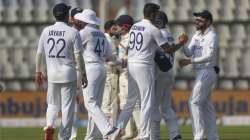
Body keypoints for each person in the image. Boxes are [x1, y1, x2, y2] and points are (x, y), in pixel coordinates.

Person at [110, 3, 188, 140]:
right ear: (152, 14)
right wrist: (181, 43)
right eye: (156, 14)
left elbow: (129, 47)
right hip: (144, 67)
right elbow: (168, 50)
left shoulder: (135, 25)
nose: (157, 17)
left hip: (131, 66)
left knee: (130, 102)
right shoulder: (153, 29)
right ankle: (145, 136)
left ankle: (117, 130)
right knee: (146, 103)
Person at [35, 3, 87, 140]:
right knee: (67, 108)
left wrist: (38, 72)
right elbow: (78, 56)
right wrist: (83, 73)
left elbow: (39, 53)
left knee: (52, 104)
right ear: (66, 16)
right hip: (68, 74)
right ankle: (64, 137)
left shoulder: (46, 31)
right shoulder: (73, 32)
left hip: (52, 75)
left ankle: (49, 125)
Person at [74, 9, 117, 139]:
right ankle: (91, 137)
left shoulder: (83, 32)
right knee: (95, 105)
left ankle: (108, 129)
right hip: (101, 67)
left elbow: (73, 50)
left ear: (85, 21)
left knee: (90, 103)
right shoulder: (102, 34)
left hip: (90, 68)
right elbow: (110, 56)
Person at [179, 10, 219, 140]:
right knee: (207, 106)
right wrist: (182, 44)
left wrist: (190, 62)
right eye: (196, 20)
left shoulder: (212, 36)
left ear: (208, 22)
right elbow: (189, 53)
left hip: (208, 70)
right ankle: (213, 137)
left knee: (194, 102)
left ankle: (199, 135)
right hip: (201, 72)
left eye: (200, 20)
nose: (197, 22)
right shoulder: (196, 35)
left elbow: (209, 56)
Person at [151, 11, 182, 140]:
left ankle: (155, 136)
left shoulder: (159, 35)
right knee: (166, 107)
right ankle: (175, 135)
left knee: (153, 107)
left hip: (160, 74)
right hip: (169, 74)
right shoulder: (169, 34)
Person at [115, 15, 140, 140]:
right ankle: (129, 132)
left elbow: (129, 57)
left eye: (119, 25)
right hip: (123, 74)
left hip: (130, 74)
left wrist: (116, 61)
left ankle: (142, 131)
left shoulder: (131, 37)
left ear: (125, 26)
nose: (116, 28)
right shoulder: (122, 38)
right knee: (124, 104)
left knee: (134, 105)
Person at [69, 7, 84, 140]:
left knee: (75, 103)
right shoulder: (73, 33)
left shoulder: (84, 32)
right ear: (72, 19)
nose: (81, 19)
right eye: (78, 17)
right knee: (72, 103)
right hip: (75, 71)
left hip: (81, 71)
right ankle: (72, 134)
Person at [101, 19, 119, 127]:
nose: (116, 30)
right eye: (114, 28)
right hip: (110, 72)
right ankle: (109, 131)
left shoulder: (105, 38)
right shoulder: (108, 40)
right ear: (108, 29)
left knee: (107, 102)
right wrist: (122, 61)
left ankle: (107, 131)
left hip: (105, 72)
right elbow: (111, 59)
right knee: (110, 103)